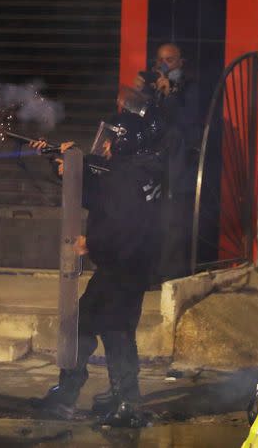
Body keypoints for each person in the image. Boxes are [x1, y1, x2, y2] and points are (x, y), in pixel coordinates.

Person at [28, 111, 163, 427]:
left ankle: (114, 400)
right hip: (132, 265)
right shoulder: (142, 170)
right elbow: (104, 199)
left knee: (102, 330)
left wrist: (93, 242)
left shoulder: (125, 175)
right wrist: (66, 167)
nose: (106, 145)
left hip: (121, 265)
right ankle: (116, 398)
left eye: (111, 139)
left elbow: (120, 218)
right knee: (106, 328)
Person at [134, 43, 201, 283]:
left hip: (178, 168)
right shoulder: (154, 88)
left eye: (170, 60)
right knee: (150, 220)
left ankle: (170, 277)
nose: (164, 66)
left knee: (174, 223)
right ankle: (149, 274)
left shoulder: (190, 89)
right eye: (160, 61)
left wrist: (171, 94)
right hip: (154, 167)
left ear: (181, 62)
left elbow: (187, 123)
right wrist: (141, 94)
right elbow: (140, 122)